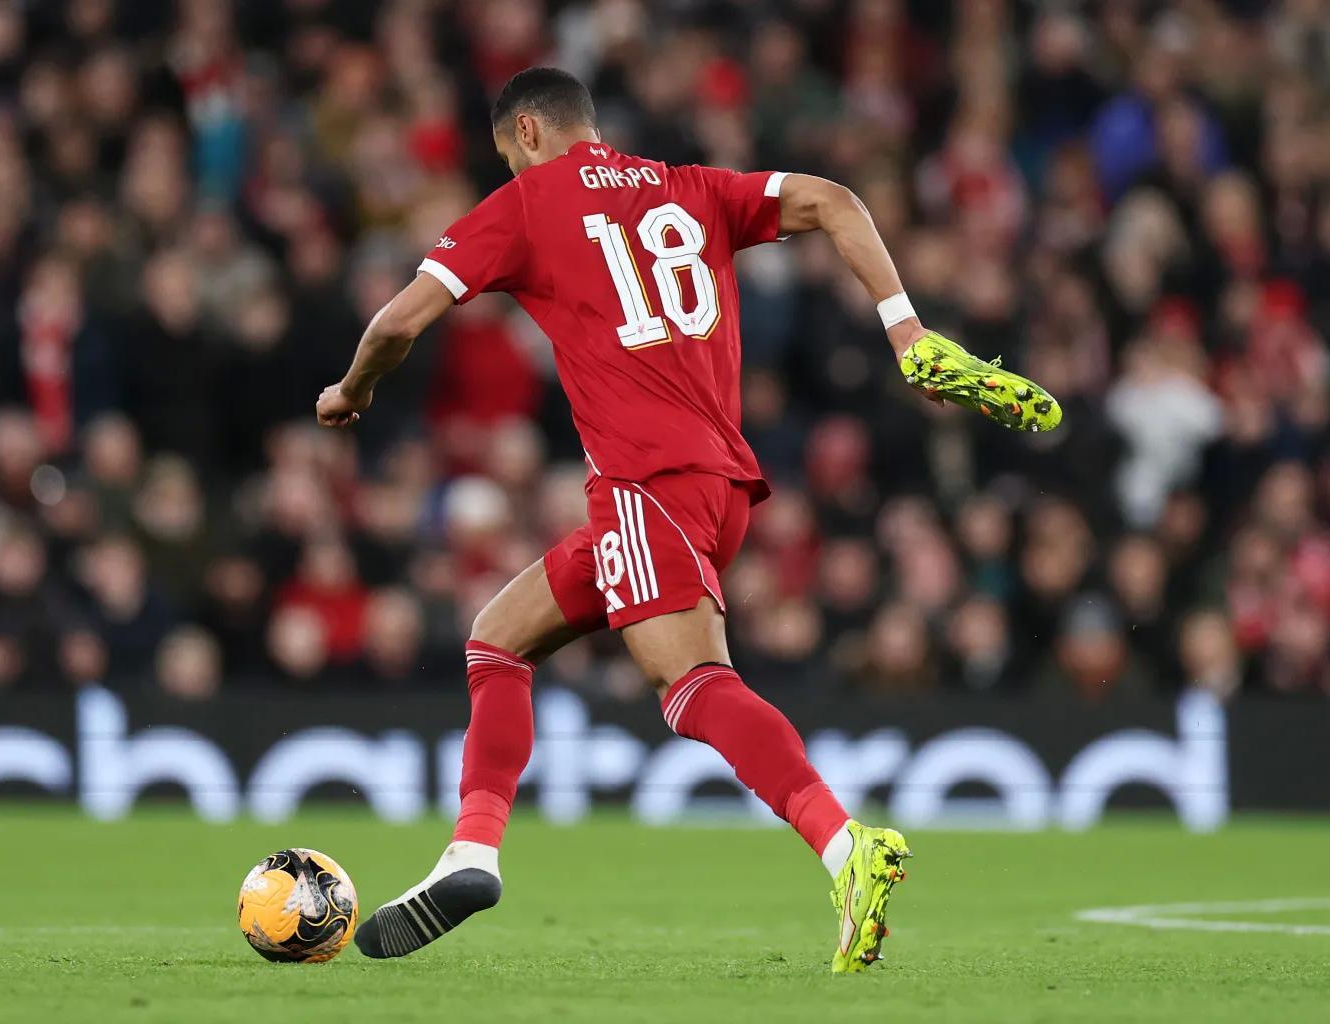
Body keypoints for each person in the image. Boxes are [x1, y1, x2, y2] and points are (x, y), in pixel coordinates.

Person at [315, 68, 1060, 973]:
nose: (511, 168)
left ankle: (845, 845)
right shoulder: (692, 187)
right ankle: (471, 853)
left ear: (530, 132)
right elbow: (834, 200)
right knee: (497, 639)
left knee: (692, 683)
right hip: (721, 486)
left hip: (644, 485)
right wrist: (905, 329)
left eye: (509, 153)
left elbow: (397, 323)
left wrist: (351, 391)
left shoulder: (526, 205)